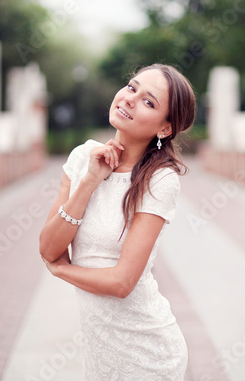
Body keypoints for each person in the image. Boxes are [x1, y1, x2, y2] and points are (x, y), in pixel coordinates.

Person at [39, 63, 196, 381]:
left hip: (147, 355)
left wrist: (62, 270)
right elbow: (48, 246)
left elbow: (123, 283)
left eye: (148, 102)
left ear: (165, 128)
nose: (130, 99)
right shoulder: (84, 158)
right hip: (99, 352)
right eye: (131, 88)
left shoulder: (158, 180)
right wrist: (89, 181)